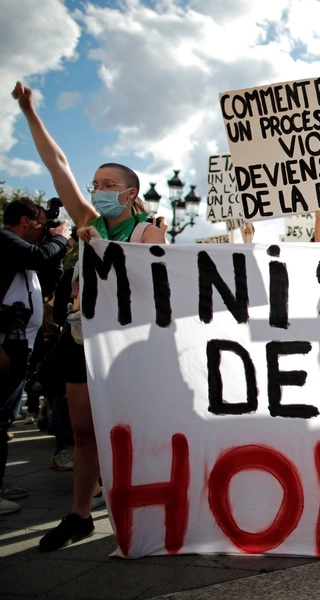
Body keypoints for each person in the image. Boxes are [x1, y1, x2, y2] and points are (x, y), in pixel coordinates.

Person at [13, 81, 166, 551]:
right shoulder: (86, 219)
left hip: (128, 344)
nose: (97, 191)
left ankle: (144, 506)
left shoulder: (146, 232)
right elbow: (56, 163)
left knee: (130, 427)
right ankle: (80, 512)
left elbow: (157, 290)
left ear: (130, 193)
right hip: (83, 340)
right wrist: (29, 111)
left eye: (108, 186)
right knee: (83, 430)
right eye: (95, 184)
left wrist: (104, 249)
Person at [0, 199, 70, 515]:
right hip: (4, 345)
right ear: (26, 221)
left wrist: (57, 249)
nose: (45, 230)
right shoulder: (4, 240)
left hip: (19, 346)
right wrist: (59, 238)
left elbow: (49, 274)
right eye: (41, 224)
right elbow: (39, 256)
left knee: (3, 420)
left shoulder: (25, 258)